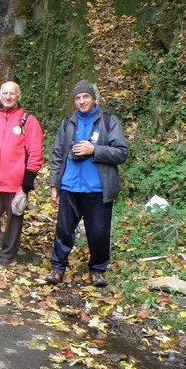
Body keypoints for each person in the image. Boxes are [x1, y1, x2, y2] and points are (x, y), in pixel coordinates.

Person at [46, 80, 128, 287]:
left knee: (99, 232)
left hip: (97, 189)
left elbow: (121, 153)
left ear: (93, 98)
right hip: (70, 187)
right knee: (64, 230)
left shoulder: (109, 122)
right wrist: (54, 184)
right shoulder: (67, 124)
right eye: (78, 98)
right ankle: (58, 268)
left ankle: (98, 270)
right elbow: (57, 155)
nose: (82, 101)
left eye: (85, 97)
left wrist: (95, 150)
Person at [0, 81, 44, 267]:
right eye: (4, 93)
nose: (8, 96)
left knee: (14, 221)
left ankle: (8, 254)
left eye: (12, 93)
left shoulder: (27, 121)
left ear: (19, 96)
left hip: (15, 183)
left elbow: (35, 152)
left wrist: (28, 179)